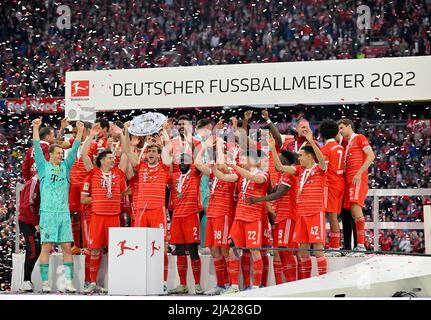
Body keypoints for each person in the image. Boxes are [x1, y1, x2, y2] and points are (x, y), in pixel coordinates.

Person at [115, 122, 172, 293]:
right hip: (141, 211)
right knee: (139, 245)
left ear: (159, 154)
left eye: (154, 151)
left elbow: (168, 152)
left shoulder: (164, 167)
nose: (151, 153)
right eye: (149, 151)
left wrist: (164, 134)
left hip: (157, 211)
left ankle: (162, 281)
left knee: (161, 246)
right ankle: (138, 279)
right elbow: (126, 150)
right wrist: (125, 130)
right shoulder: (142, 166)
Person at [32, 118, 84, 293]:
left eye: (63, 153)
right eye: (59, 153)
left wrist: (81, 131)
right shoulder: (43, 166)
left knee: (67, 248)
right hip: (47, 213)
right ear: (52, 154)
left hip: (63, 213)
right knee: (46, 247)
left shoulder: (66, 167)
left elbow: (76, 147)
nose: (62, 155)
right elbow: (37, 147)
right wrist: (35, 127)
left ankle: (69, 282)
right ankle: (45, 283)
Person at [271, 126, 328, 280]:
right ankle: (305, 282)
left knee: (317, 247)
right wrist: (272, 149)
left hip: (315, 212)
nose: (299, 158)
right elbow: (280, 167)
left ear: (310, 156)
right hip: (301, 214)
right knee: (302, 249)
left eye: (301, 156)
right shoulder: (300, 171)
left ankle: (324, 281)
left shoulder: (320, 169)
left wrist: (310, 140)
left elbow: (321, 160)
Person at [219, 149, 269, 294]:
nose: (243, 162)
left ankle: (256, 288)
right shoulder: (242, 177)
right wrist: (214, 168)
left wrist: (234, 166)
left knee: (255, 251)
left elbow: (256, 180)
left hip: (253, 219)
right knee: (233, 250)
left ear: (256, 161)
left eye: (245, 159)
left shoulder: (263, 174)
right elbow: (224, 177)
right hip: (239, 218)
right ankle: (234, 286)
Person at [246, 149, 298, 284]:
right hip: (281, 216)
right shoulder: (282, 176)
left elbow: (278, 194)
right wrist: (267, 179)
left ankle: (292, 284)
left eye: (279, 159)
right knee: (280, 251)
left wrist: (257, 200)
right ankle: (285, 285)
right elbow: (272, 191)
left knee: (285, 251)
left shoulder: (289, 174)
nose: (275, 162)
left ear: (285, 162)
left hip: (288, 216)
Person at [80, 149, 127, 294]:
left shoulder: (118, 173)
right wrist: (100, 199)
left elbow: (122, 193)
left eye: (114, 157)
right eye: (110, 158)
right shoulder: (93, 173)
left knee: (115, 251)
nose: (113, 160)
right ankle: (93, 282)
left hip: (114, 217)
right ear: (102, 160)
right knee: (95, 250)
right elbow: (83, 199)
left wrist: (124, 136)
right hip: (98, 216)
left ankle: (116, 282)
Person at [168, 152, 210, 295]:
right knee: (179, 251)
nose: (182, 163)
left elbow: (201, 167)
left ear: (191, 163)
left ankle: (197, 285)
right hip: (177, 217)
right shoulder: (174, 177)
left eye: (186, 161)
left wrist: (203, 148)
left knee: (193, 251)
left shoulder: (195, 173)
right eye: (180, 161)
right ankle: (182, 285)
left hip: (191, 215)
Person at [200, 138, 236, 295]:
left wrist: (220, 147)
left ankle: (230, 285)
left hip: (224, 215)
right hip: (212, 215)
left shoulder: (232, 173)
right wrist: (204, 147)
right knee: (214, 250)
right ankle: (221, 284)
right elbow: (196, 164)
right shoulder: (213, 175)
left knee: (225, 249)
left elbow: (222, 168)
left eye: (225, 157)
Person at [338, 119, 375, 256]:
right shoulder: (347, 145)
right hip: (350, 181)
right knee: (353, 213)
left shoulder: (359, 137)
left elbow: (371, 156)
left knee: (356, 210)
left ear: (349, 126)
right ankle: (358, 246)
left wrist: (359, 173)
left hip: (357, 180)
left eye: (342, 128)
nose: (340, 131)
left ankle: (361, 246)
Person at [319, 119, 345, 256]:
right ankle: (335, 247)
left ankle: (331, 248)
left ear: (322, 134)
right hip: (340, 183)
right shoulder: (340, 148)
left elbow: (323, 170)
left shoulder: (325, 149)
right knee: (334, 216)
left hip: (329, 185)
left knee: (327, 216)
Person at [17, 173, 41, 292]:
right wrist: (36, 223)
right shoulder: (33, 183)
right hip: (27, 222)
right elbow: (28, 206)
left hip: (31, 221)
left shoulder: (38, 184)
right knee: (32, 249)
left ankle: (27, 280)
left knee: (37, 249)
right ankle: (26, 281)